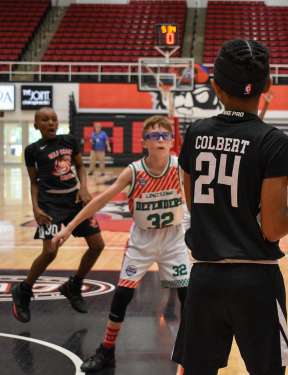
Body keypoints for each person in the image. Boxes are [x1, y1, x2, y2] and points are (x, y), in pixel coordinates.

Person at [172, 39, 288, 375]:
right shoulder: (272, 142)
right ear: (268, 86)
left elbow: (193, 203)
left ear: (214, 87)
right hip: (255, 280)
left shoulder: (195, 134)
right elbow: (273, 228)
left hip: (205, 278)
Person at [52, 115, 190, 373]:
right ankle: (107, 350)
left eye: (164, 135)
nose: (159, 140)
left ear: (172, 141)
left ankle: (191, 350)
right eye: (153, 136)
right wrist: (70, 228)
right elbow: (100, 200)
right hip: (142, 242)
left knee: (188, 297)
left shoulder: (180, 167)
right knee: (122, 296)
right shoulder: (134, 171)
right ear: (143, 142)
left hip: (173, 241)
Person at [12, 107, 105, 323]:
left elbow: (81, 166)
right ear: (36, 125)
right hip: (49, 205)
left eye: (54, 119)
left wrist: (84, 188)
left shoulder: (69, 141)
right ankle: (24, 290)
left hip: (74, 200)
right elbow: (33, 182)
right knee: (51, 251)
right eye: (45, 120)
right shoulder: (32, 150)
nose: (51, 123)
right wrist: (35, 208)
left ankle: (74, 285)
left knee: (98, 245)